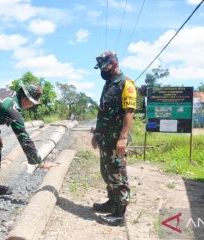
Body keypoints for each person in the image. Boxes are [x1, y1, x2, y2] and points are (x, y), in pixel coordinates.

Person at [92, 51, 136, 226]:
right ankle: (112, 202)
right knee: (107, 172)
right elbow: (103, 112)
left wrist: (123, 137)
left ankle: (119, 214)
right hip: (105, 139)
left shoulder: (126, 83)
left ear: (114, 63)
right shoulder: (109, 84)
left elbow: (129, 112)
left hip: (116, 141)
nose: (102, 70)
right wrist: (97, 133)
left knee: (118, 175)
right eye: (100, 67)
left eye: (104, 66)